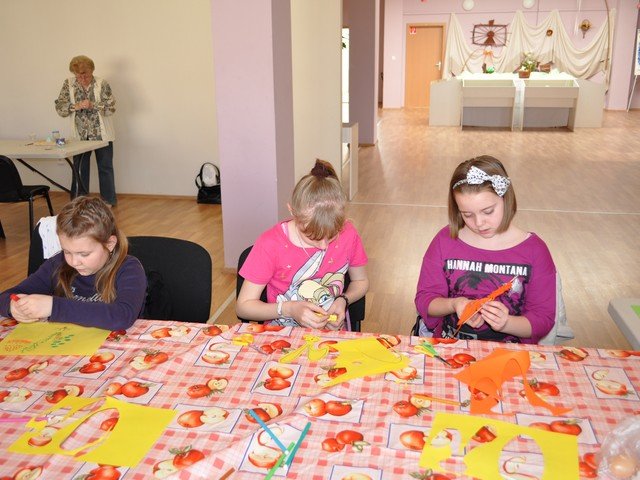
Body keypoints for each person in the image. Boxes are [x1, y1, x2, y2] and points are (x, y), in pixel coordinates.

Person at [414, 156, 556, 344]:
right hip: (450, 347)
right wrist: (454, 304)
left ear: (506, 199)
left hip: (509, 354)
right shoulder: (445, 241)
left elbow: (543, 320)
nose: (479, 223)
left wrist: (506, 323)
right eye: (467, 214)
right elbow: (425, 301)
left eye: (488, 211)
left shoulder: (535, 251)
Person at [236, 159, 369, 330]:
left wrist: (343, 299)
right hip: (282, 333)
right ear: (292, 211)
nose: (323, 246)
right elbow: (244, 307)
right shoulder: (271, 244)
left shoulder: (348, 233)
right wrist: (290, 309)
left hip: (331, 334)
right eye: (313, 237)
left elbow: (361, 280)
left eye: (331, 236)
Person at [0, 197, 146, 330]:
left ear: (110, 244)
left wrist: (53, 307)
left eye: (84, 254)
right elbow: (6, 296)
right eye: (67, 251)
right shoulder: (57, 264)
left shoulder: (129, 268)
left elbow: (122, 316)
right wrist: (13, 307)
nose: (74, 262)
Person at [55, 55, 117, 206]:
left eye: (86, 75)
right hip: (79, 136)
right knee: (79, 169)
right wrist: (74, 106)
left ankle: (108, 201)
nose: (82, 79)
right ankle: (79, 202)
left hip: (102, 135)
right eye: (78, 76)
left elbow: (111, 108)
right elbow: (60, 108)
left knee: (105, 168)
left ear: (92, 71)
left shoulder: (102, 84)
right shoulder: (69, 84)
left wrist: (93, 105)